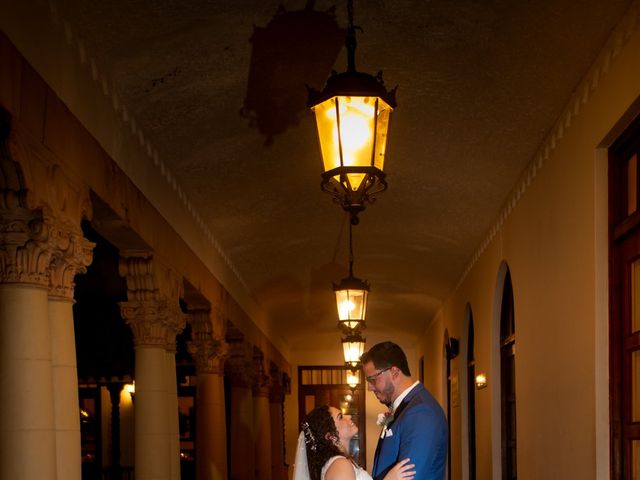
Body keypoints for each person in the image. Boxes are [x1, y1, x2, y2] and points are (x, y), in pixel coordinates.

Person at [361, 341, 448, 480]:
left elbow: (413, 475)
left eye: (372, 380)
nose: (370, 388)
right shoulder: (406, 407)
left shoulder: (421, 412)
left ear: (394, 372)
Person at [293, 404, 416, 480]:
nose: (349, 417)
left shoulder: (340, 462)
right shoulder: (339, 465)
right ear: (330, 436)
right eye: (340, 417)